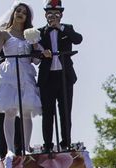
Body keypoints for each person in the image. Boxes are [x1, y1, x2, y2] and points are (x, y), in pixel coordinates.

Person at [0, 3, 42, 156]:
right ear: (13, 13)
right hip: (9, 72)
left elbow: (36, 60)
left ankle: (26, 147)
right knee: (10, 112)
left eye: (24, 12)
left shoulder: (29, 34)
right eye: (18, 10)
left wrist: (36, 44)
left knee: (26, 112)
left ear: (27, 17)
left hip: (25, 72)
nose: (20, 14)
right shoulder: (5, 34)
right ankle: (10, 149)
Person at [38, 0, 82, 152]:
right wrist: (42, 53)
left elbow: (78, 39)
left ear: (61, 15)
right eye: (50, 14)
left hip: (65, 76)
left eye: (56, 14)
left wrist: (60, 27)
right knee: (47, 112)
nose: (53, 17)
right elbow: (33, 50)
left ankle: (66, 143)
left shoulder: (67, 29)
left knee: (65, 111)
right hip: (48, 77)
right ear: (45, 15)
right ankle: (47, 145)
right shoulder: (40, 32)